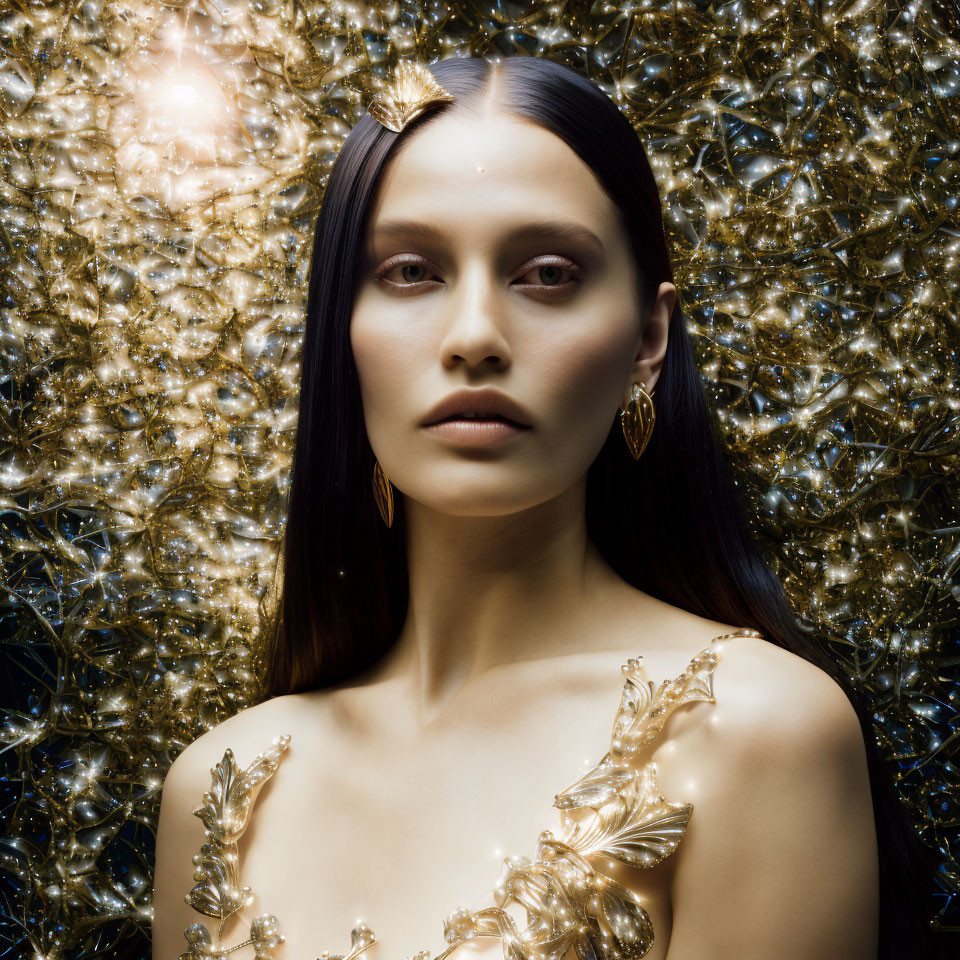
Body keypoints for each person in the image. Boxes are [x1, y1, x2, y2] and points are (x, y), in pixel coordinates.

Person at [151, 56, 941, 960]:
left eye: (550, 274)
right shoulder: (223, 782)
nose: (477, 336)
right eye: (411, 271)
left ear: (648, 339)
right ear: (343, 332)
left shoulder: (754, 730)